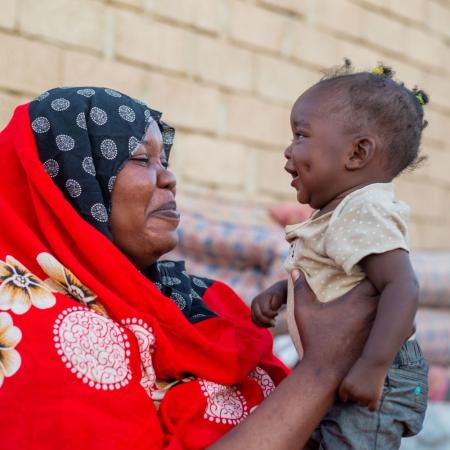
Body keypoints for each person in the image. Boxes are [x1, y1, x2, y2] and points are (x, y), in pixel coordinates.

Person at [0, 86, 378, 450]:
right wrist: (321, 371)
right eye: (140, 159)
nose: (169, 177)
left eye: (164, 160)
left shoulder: (189, 301)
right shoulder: (34, 327)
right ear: (69, 182)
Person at [251, 61, 429, 449]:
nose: (288, 150)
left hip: (379, 370)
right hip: (345, 362)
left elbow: (401, 287)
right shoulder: (338, 212)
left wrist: (373, 366)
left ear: (357, 153)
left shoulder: (365, 208)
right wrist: (283, 292)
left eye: (301, 135)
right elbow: (340, 279)